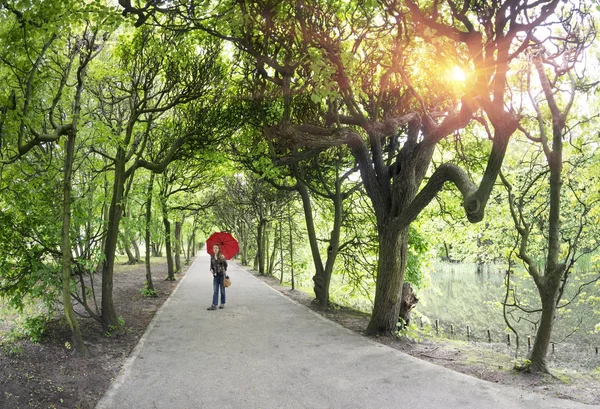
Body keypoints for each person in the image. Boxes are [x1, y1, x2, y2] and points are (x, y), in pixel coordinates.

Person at [207, 244, 228, 310]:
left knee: (222, 290)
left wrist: (223, 259)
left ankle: (222, 303)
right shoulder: (212, 257)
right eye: (214, 248)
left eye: (216, 248)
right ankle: (214, 305)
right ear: (213, 249)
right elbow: (211, 267)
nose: (215, 249)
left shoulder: (222, 256)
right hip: (215, 276)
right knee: (215, 290)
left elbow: (226, 265)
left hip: (222, 275)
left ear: (218, 249)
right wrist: (212, 270)